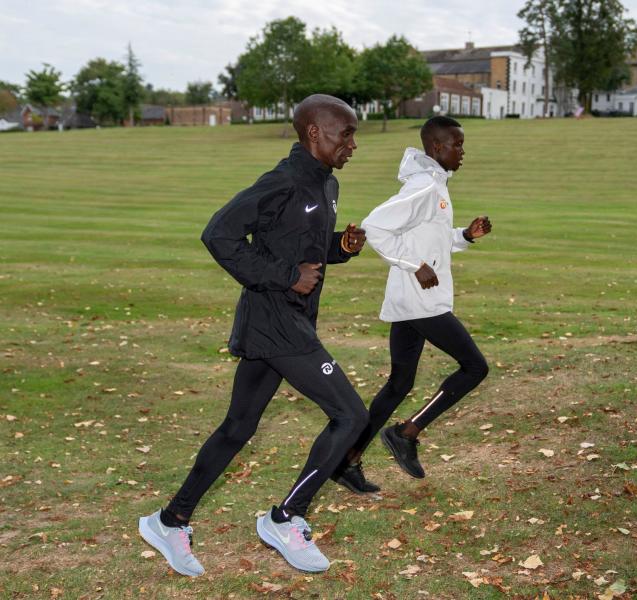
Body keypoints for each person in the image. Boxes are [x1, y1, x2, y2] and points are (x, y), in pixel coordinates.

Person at [138, 94, 368, 576]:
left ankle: (170, 520)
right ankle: (286, 518)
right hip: (277, 322)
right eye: (344, 133)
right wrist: (285, 276)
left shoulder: (326, 186)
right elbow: (218, 234)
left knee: (238, 428)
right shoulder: (281, 182)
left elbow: (302, 246)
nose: (352, 144)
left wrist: (339, 249)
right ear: (314, 134)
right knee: (350, 415)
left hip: (287, 323)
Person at [331, 116, 492, 495]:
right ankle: (407, 432)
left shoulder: (434, 185)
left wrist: (465, 236)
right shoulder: (423, 187)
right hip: (421, 301)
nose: (462, 152)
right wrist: (413, 266)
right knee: (474, 367)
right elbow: (374, 227)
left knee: (399, 383)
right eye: (457, 144)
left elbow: (430, 241)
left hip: (413, 301)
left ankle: (346, 460)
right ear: (437, 148)